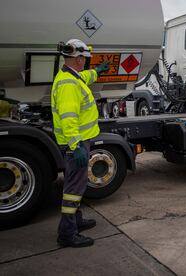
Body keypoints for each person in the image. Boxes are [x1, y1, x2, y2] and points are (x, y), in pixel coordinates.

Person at [51, 39, 109, 247]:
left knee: (74, 183)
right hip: (75, 144)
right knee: (74, 188)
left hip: (77, 142)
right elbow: (69, 118)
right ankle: (67, 234)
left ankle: (76, 221)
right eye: (85, 59)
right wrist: (76, 145)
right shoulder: (68, 85)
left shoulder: (70, 76)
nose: (86, 62)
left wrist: (98, 72)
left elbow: (84, 77)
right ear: (77, 59)